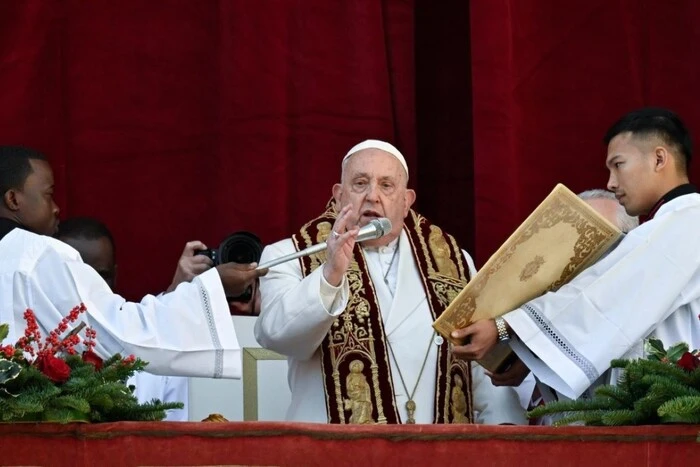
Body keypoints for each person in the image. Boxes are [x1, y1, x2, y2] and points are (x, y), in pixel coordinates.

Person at [255, 139, 525, 424]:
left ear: (407, 201)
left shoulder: (454, 262)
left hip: (439, 453)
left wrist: (505, 431)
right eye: (360, 183)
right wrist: (330, 276)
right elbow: (277, 336)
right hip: (336, 454)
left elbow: (478, 363)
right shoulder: (290, 254)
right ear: (338, 196)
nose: (372, 195)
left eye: (386, 185)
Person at [453, 108, 700, 401]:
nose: (611, 182)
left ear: (659, 158)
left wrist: (506, 328)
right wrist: (532, 352)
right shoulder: (673, 225)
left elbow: (601, 296)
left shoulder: (686, 223)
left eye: (618, 165)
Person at [0, 145, 266, 379]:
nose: (57, 207)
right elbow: (118, 337)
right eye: (48, 194)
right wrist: (213, 286)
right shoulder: (36, 255)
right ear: (13, 199)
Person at [506, 191, 639, 416]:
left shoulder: (647, 335)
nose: (583, 260)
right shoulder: (522, 345)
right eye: (573, 247)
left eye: (600, 244)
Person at [57, 217, 194, 421]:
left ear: (116, 275)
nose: (92, 288)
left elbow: (176, 438)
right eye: (80, 277)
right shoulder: (29, 343)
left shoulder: (159, 344)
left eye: (102, 276)